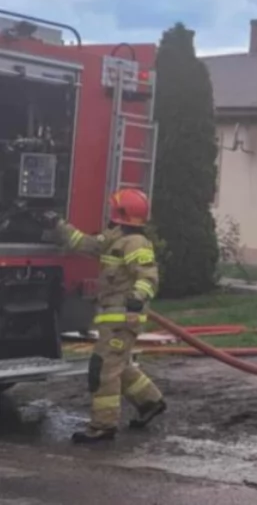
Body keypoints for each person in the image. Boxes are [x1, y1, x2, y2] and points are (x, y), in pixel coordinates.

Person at [42, 188, 167, 444]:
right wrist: (57, 225)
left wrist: (137, 298)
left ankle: (103, 426)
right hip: (115, 319)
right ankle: (150, 402)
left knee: (104, 370)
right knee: (118, 365)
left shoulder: (136, 243)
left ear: (120, 213)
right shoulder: (116, 238)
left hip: (123, 319)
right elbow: (85, 243)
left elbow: (148, 276)